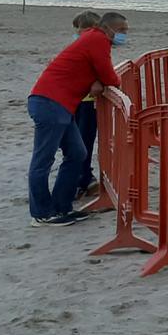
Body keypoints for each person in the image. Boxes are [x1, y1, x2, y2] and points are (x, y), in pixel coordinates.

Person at [26, 11, 128, 227]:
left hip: (62, 105)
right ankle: (41, 213)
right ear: (110, 29)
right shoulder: (97, 39)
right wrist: (107, 80)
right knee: (43, 160)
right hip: (49, 103)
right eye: (122, 31)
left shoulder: (92, 39)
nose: (124, 36)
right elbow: (109, 75)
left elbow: (99, 71)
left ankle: (62, 206)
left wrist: (99, 80)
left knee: (77, 153)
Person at [71, 11, 102, 200]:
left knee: (82, 143)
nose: (78, 33)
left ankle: (84, 177)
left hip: (83, 103)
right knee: (81, 143)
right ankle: (82, 179)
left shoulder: (84, 47)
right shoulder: (83, 48)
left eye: (81, 29)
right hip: (80, 102)